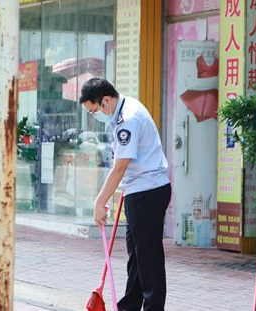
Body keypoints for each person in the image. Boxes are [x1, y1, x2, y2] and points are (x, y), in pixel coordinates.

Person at [79, 77, 171, 311]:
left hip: (147, 193)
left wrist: (100, 201)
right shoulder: (126, 107)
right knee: (137, 257)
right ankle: (129, 306)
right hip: (139, 191)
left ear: (106, 100)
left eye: (94, 110)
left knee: (148, 259)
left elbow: (120, 166)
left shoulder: (127, 119)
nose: (95, 115)